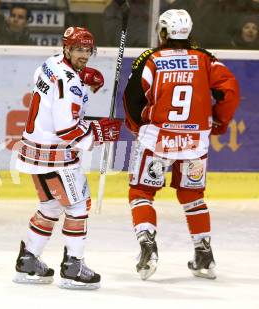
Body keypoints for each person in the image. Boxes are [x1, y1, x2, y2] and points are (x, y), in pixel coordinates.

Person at [123, 9, 240, 280]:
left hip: (158, 139)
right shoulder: (205, 60)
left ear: (163, 32)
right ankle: (204, 255)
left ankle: (147, 246)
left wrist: (137, 126)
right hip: (194, 140)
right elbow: (230, 91)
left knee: (140, 192)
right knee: (192, 196)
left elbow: (132, 97)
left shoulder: (151, 59)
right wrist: (219, 122)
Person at [13, 26, 122, 290]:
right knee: (78, 207)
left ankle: (28, 260)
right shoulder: (70, 83)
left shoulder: (49, 64)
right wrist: (97, 132)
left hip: (34, 151)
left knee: (51, 207)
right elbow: (66, 129)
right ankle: (73, 266)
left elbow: (57, 87)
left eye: (87, 50)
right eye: (78, 50)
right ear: (67, 49)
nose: (84, 55)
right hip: (57, 156)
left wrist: (83, 75)